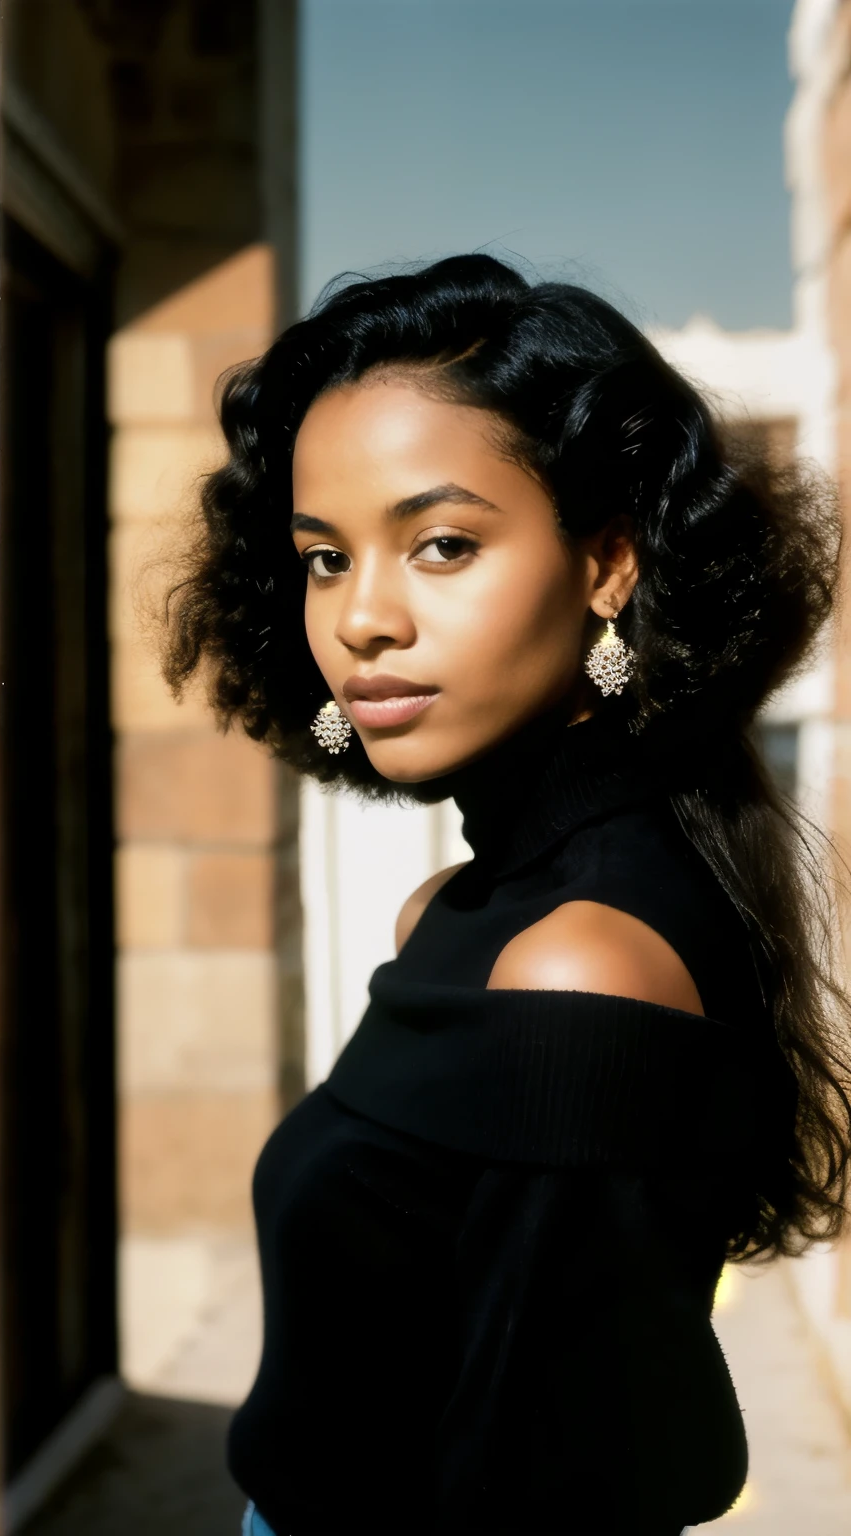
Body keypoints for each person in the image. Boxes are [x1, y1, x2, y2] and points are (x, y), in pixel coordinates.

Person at [161, 254, 851, 1535]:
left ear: (608, 564)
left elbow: (553, 1491)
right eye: (323, 558)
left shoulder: (580, 966)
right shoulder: (466, 912)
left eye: (440, 544)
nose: (362, 617)